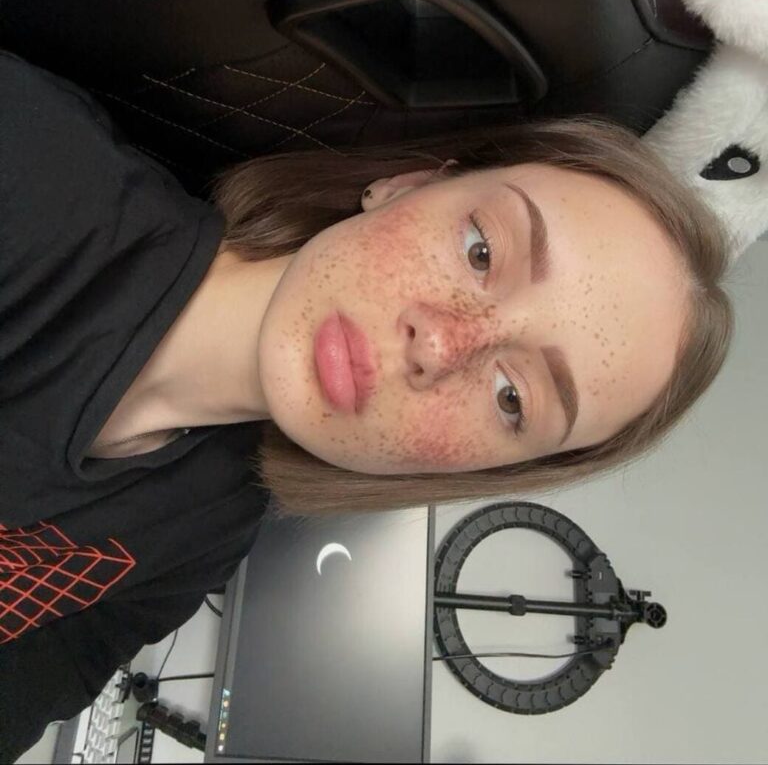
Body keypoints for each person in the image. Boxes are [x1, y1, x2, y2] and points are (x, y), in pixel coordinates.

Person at [0, 49, 733, 758]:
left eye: (512, 397)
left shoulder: (208, 533)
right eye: (481, 251)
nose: (441, 345)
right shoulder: (25, 159)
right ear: (406, 184)